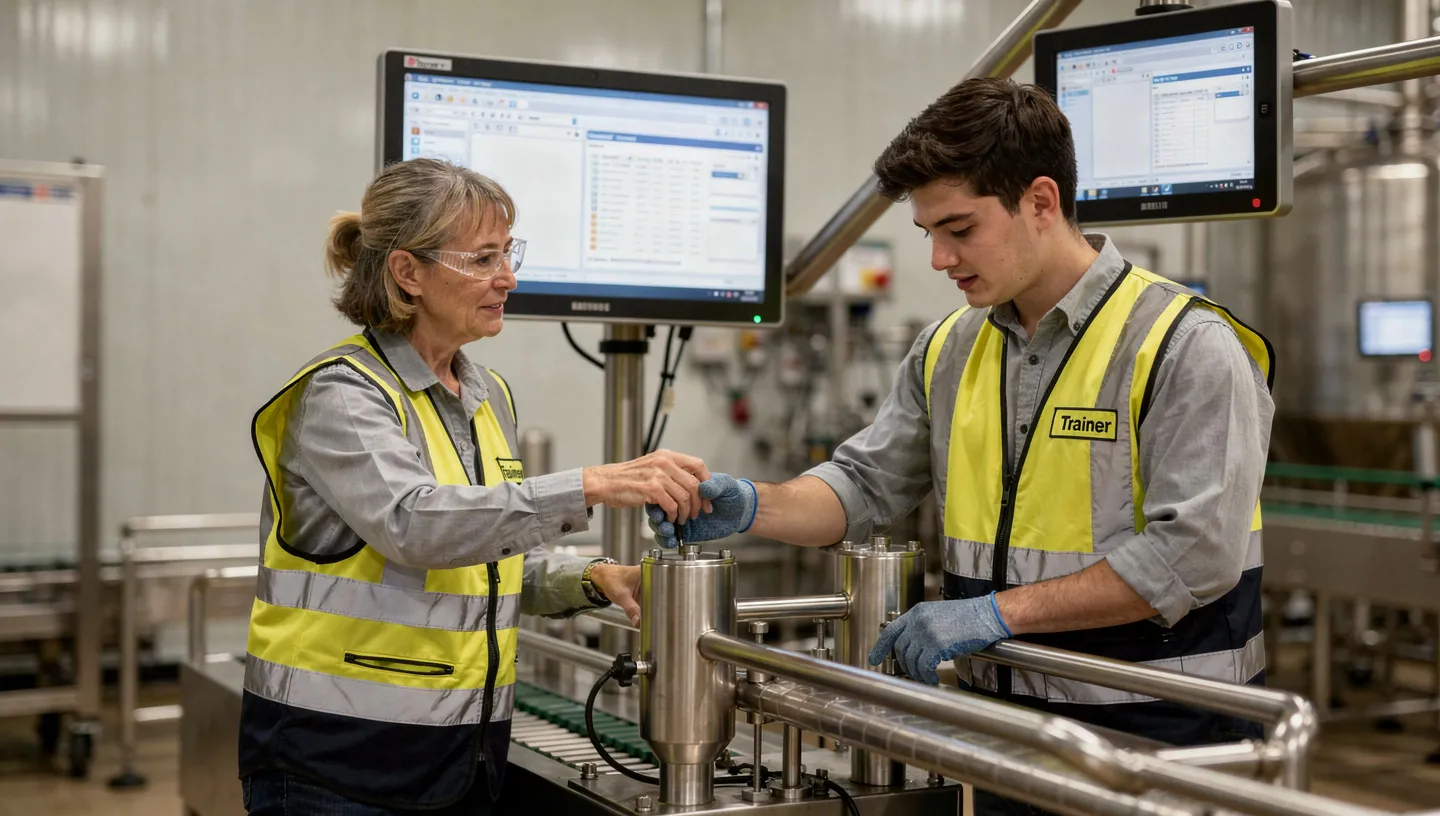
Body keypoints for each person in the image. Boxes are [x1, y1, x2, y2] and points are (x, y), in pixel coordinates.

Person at [651, 78, 1274, 814]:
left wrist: (996, 615)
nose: (940, 259)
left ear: (1041, 202)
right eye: (929, 235)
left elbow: (1192, 555)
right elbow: (864, 486)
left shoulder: (1183, 344)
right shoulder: (948, 348)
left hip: (1165, 734)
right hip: (1005, 731)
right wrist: (757, 505)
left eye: (960, 229)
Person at [240, 157, 713, 815]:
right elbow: (416, 525)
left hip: (460, 758)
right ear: (410, 273)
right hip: (338, 763)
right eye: (484, 258)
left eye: (508, 253)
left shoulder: (486, 394)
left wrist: (590, 579)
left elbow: (485, 558)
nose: (508, 278)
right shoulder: (344, 395)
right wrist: (592, 484)